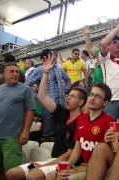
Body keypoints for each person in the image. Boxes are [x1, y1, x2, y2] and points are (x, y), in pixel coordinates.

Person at [6, 52, 87, 180]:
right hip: (52, 161)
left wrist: (43, 165)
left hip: (64, 163)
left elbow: (69, 155)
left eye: (72, 96)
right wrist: (45, 73)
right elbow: (42, 96)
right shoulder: (63, 113)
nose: (67, 98)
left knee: (33, 176)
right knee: (12, 173)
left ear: (81, 102)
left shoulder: (83, 121)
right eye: (68, 95)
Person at [0, 62, 35, 180]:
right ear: (4, 75)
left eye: (17, 72)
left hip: (13, 138)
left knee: (12, 173)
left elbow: (30, 111)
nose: (15, 74)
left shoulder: (25, 89)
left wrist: (26, 131)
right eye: (11, 71)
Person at [26, 49, 71, 138]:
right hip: (48, 107)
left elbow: (67, 80)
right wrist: (37, 97)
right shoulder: (39, 70)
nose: (55, 57)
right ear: (44, 59)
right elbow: (27, 85)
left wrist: (65, 91)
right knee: (49, 133)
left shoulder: (59, 68)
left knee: (61, 131)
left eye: (55, 55)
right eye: (52, 55)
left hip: (61, 106)